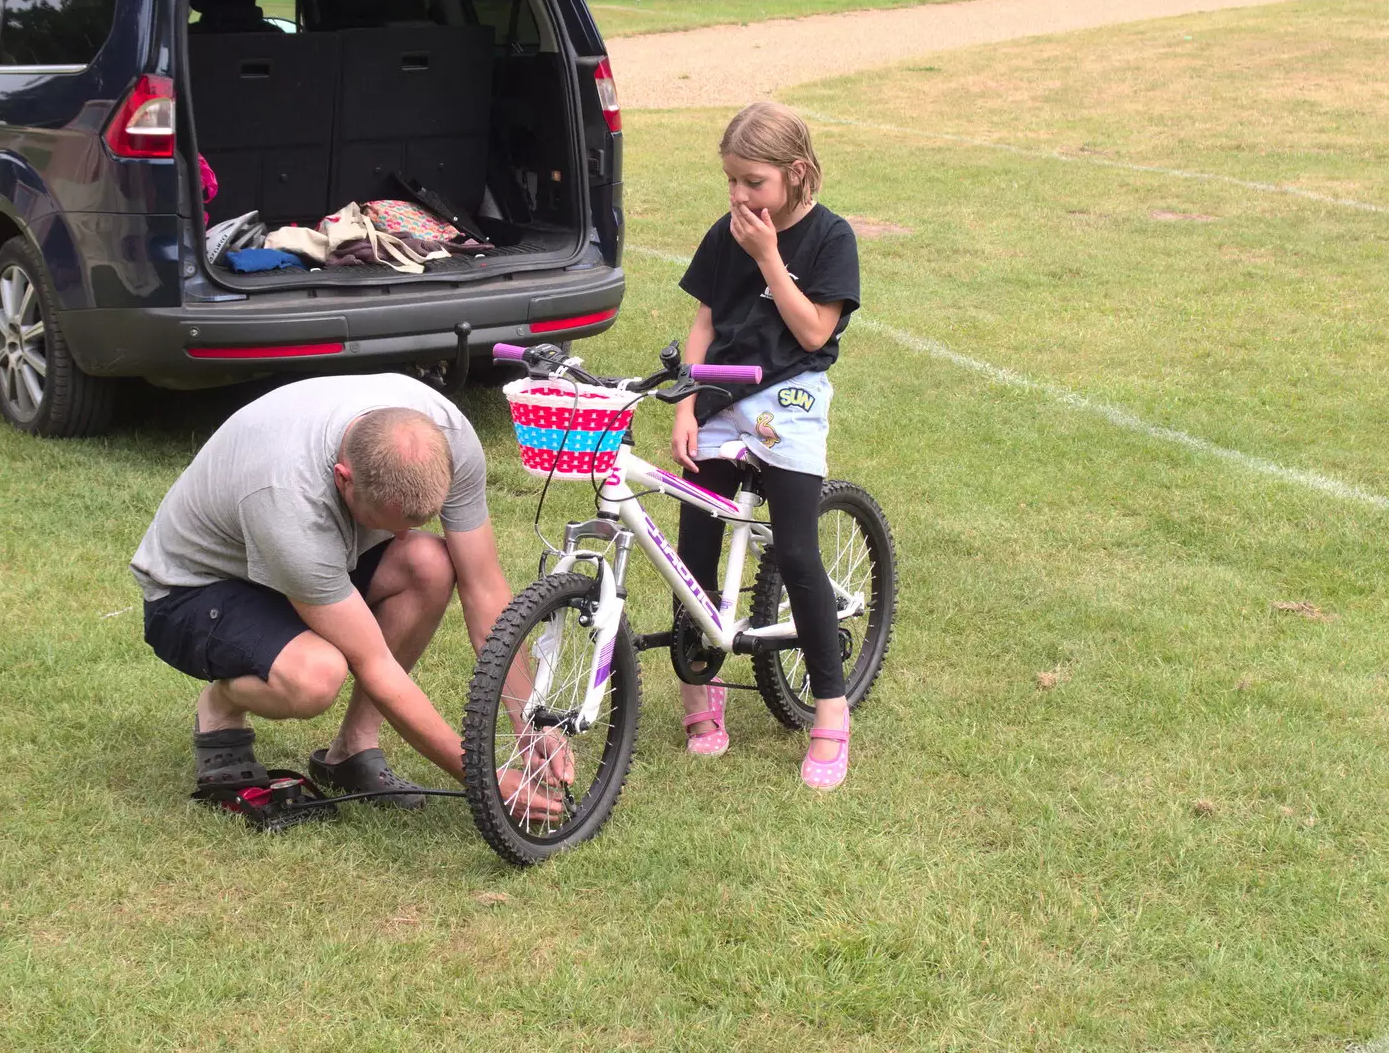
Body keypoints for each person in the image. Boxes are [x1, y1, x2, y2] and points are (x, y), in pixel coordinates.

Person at [131, 375, 568, 817]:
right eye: (387, 520)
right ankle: (221, 706)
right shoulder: (289, 496)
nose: (399, 535)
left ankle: (352, 751)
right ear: (343, 479)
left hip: (310, 564)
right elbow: (375, 663)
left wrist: (530, 719)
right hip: (195, 590)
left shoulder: (446, 434)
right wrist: (483, 779)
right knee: (315, 676)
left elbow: (485, 587)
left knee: (429, 563)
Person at [669, 102, 861, 791]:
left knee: (797, 551)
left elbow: (813, 333)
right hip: (721, 397)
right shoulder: (727, 233)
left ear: (797, 173)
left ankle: (831, 711)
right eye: (731, 182)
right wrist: (687, 401)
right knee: (692, 549)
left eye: (754, 182)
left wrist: (770, 257)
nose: (740, 197)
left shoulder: (831, 237)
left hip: (793, 399)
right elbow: (704, 323)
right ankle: (700, 689)